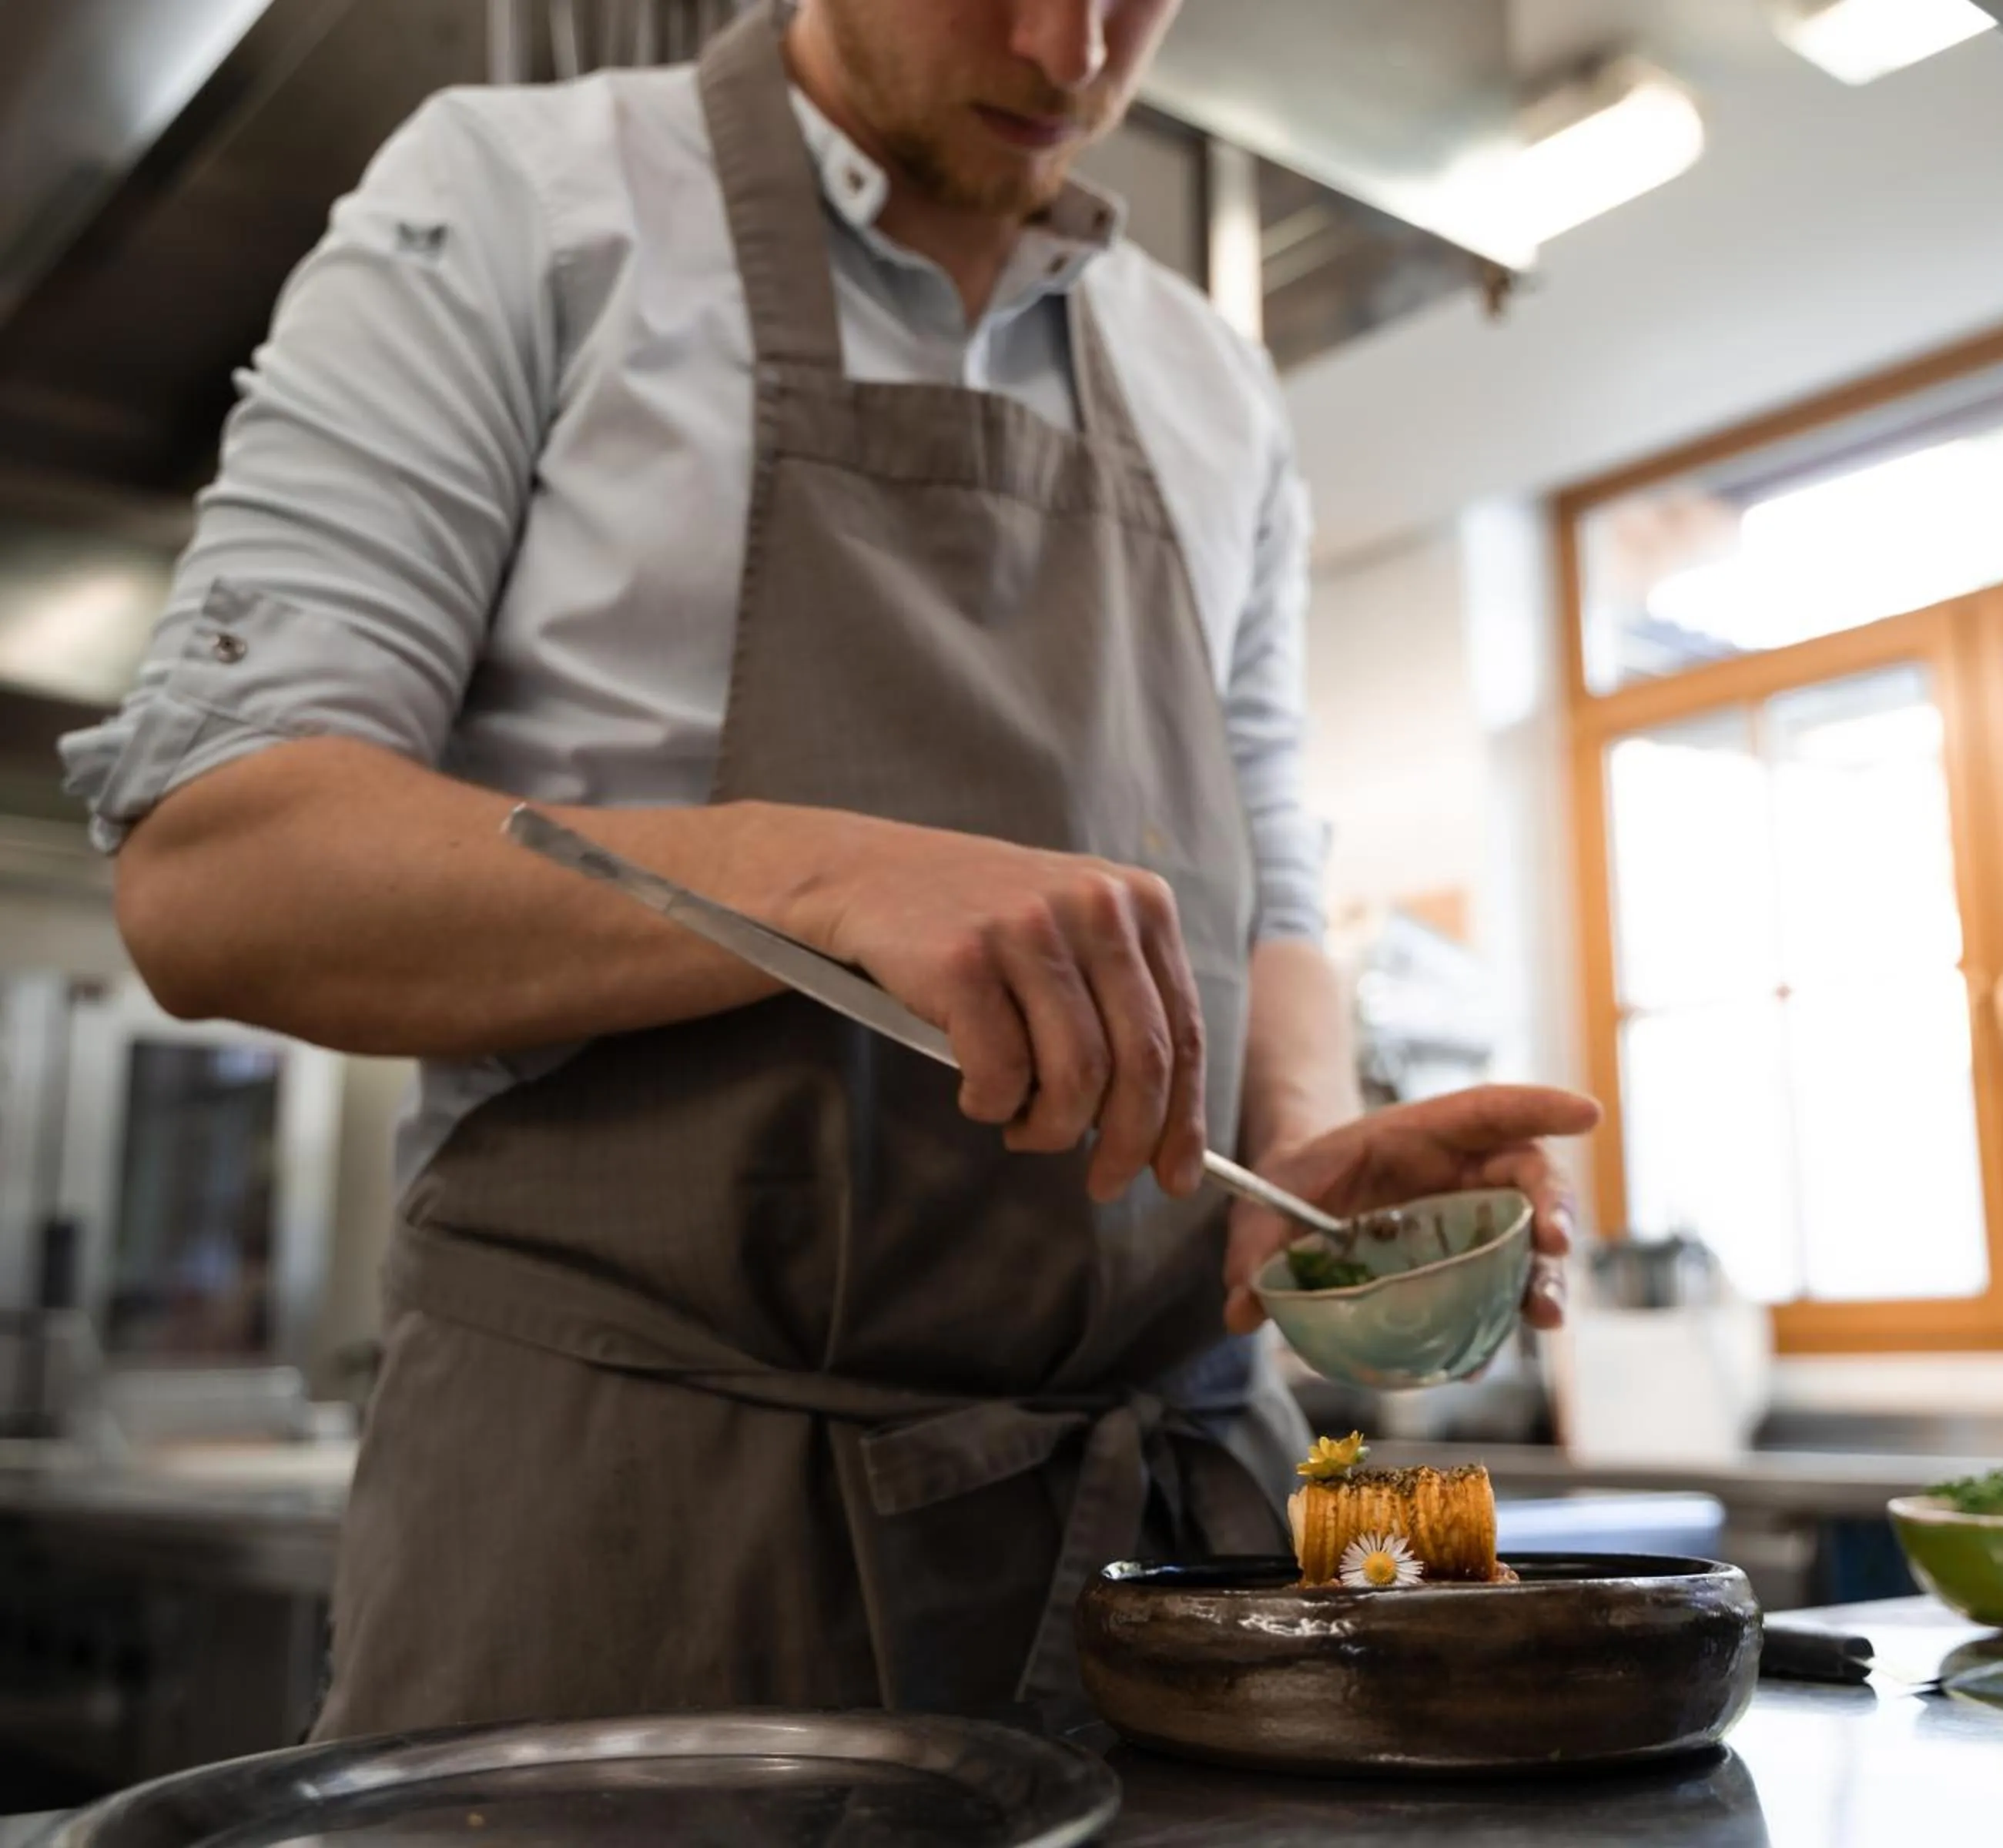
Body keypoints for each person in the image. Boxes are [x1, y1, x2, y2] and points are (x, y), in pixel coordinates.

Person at [62, 0, 1599, 1732]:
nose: (1068, 48)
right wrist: (815, 880)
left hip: (1163, 1571)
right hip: (649, 1550)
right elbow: (217, 871)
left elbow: (1275, 881)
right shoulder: (522, 203)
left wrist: (1301, 1154)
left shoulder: (1214, 382)